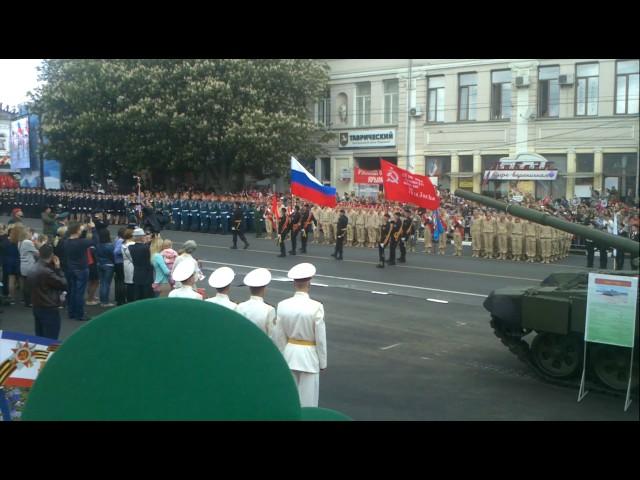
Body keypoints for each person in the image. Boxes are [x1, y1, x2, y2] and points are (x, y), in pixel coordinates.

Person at [272, 262, 327, 408]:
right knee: (308, 402)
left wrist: (283, 355)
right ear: (309, 282)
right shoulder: (316, 307)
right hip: (309, 357)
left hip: (290, 354)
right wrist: (323, 361)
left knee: (290, 399)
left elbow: (279, 336)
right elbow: (320, 339)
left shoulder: (283, 305)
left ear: (294, 284)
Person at [27, 244, 67, 340]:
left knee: (40, 337)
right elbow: (63, 284)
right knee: (51, 339)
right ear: (52, 255)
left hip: (37, 306)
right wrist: (58, 268)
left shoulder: (33, 268)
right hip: (49, 308)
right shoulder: (47, 272)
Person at [63, 220, 97, 321]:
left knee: (72, 291)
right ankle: (80, 314)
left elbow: (73, 237)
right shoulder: (82, 242)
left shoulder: (66, 242)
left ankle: (72, 312)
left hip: (70, 268)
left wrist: (84, 230)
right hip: (81, 269)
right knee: (79, 293)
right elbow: (95, 241)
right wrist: (93, 229)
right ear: (77, 231)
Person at [236, 268, 276, 337]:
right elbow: (272, 335)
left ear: (250, 288)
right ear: (264, 288)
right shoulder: (269, 309)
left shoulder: (240, 306)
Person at [127, 228, 154, 301]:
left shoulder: (130, 247)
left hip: (137, 272)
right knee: (146, 295)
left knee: (137, 294)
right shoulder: (146, 248)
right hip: (146, 274)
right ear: (141, 237)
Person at [95, 228, 115, 307]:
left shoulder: (98, 245)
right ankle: (105, 301)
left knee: (102, 283)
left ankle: (102, 299)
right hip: (108, 265)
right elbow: (112, 256)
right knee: (106, 284)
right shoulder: (110, 246)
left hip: (100, 264)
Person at [113, 228, 127, 306]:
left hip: (117, 263)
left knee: (118, 281)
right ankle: (121, 299)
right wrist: (124, 251)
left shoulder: (117, 239)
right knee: (121, 282)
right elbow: (116, 251)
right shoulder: (121, 241)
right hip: (120, 263)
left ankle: (118, 298)